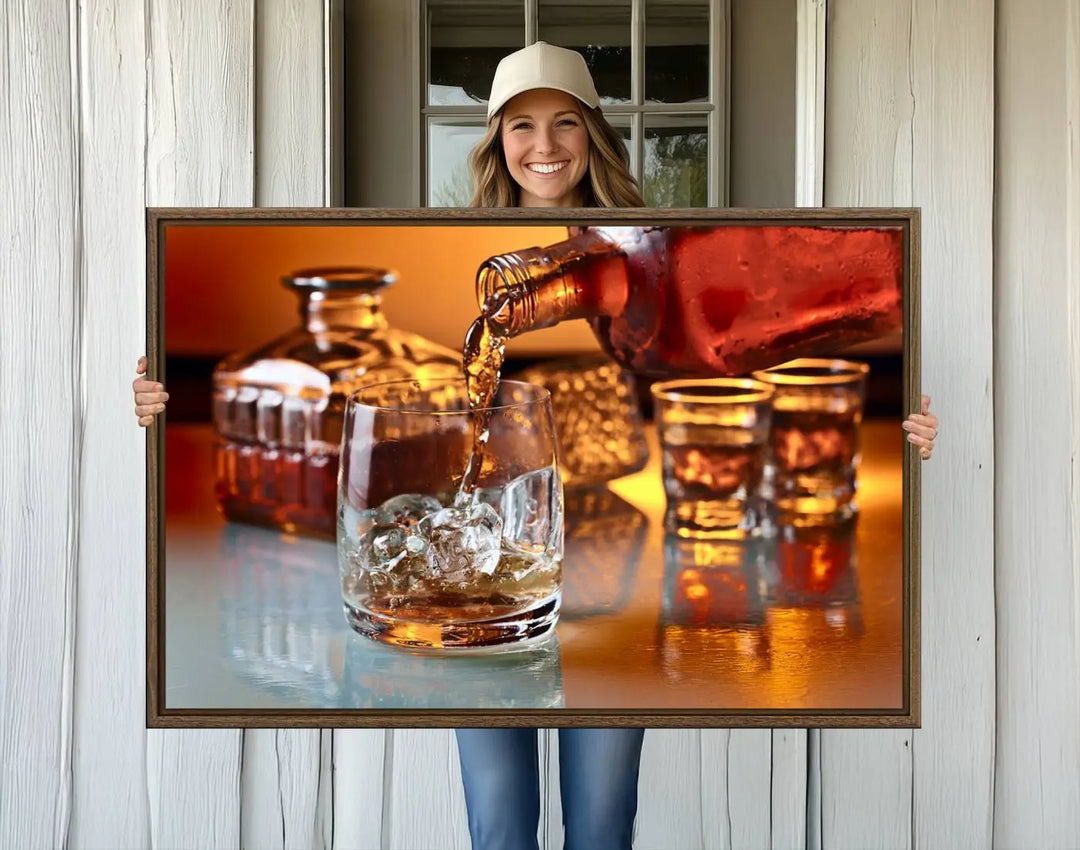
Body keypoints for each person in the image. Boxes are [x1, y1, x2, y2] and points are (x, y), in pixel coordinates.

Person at [132, 42, 940, 849]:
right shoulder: (453, 240)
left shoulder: (667, 241)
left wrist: (910, 416)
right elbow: (404, 391)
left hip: (623, 569)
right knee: (499, 823)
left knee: (601, 822)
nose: (544, 146)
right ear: (496, 140)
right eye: (522, 126)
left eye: (565, 124)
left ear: (594, 134)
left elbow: (781, 329)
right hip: (481, 575)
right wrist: (157, 399)